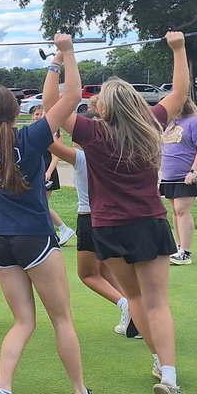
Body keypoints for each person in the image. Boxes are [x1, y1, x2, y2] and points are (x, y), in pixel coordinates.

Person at [0, 36, 107, 394]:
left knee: (23, 321)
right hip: (35, 239)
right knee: (61, 318)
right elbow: (73, 95)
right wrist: (65, 54)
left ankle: (3, 390)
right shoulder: (33, 135)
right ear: (18, 110)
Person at [54, 31, 192, 394]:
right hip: (147, 222)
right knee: (157, 302)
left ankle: (157, 360)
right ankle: (168, 373)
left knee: (133, 297)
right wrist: (178, 49)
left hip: (107, 227)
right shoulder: (150, 122)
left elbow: (56, 105)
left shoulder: (93, 132)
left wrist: (64, 57)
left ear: (104, 108)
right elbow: (180, 93)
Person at [48, 130, 132, 334]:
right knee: (105, 270)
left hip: (90, 218)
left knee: (87, 274)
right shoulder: (116, 153)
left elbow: (45, 141)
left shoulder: (82, 157)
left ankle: (126, 305)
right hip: (115, 218)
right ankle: (133, 313)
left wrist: (52, 131)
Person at [159, 95, 197, 265]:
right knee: (175, 210)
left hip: (188, 174)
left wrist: (193, 171)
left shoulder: (196, 121)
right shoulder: (170, 122)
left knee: (182, 210)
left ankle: (185, 252)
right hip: (170, 175)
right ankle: (179, 248)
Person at [30, 102, 75, 248]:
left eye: (40, 114)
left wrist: (48, 172)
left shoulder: (54, 132)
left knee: (41, 204)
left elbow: (56, 156)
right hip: (36, 170)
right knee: (38, 205)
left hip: (47, 171)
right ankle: (50, 233)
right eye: (35, 114)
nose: (37, 117)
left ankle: (63, 229)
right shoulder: (31, 131)